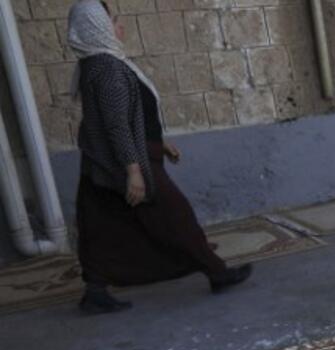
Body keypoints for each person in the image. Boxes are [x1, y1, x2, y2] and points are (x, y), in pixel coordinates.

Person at [68, 0, 251, 314]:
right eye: (113, 21)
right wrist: (134, 170)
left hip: (103, 164)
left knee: (100, 226)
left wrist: (159, 142)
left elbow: (129, 116)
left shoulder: (95, 65)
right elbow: (116, 125)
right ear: (97, 27)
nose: (120, 26)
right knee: (176, 217)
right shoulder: (108, 68)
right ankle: (216, 272)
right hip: (125, 163)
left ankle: (95, 290)